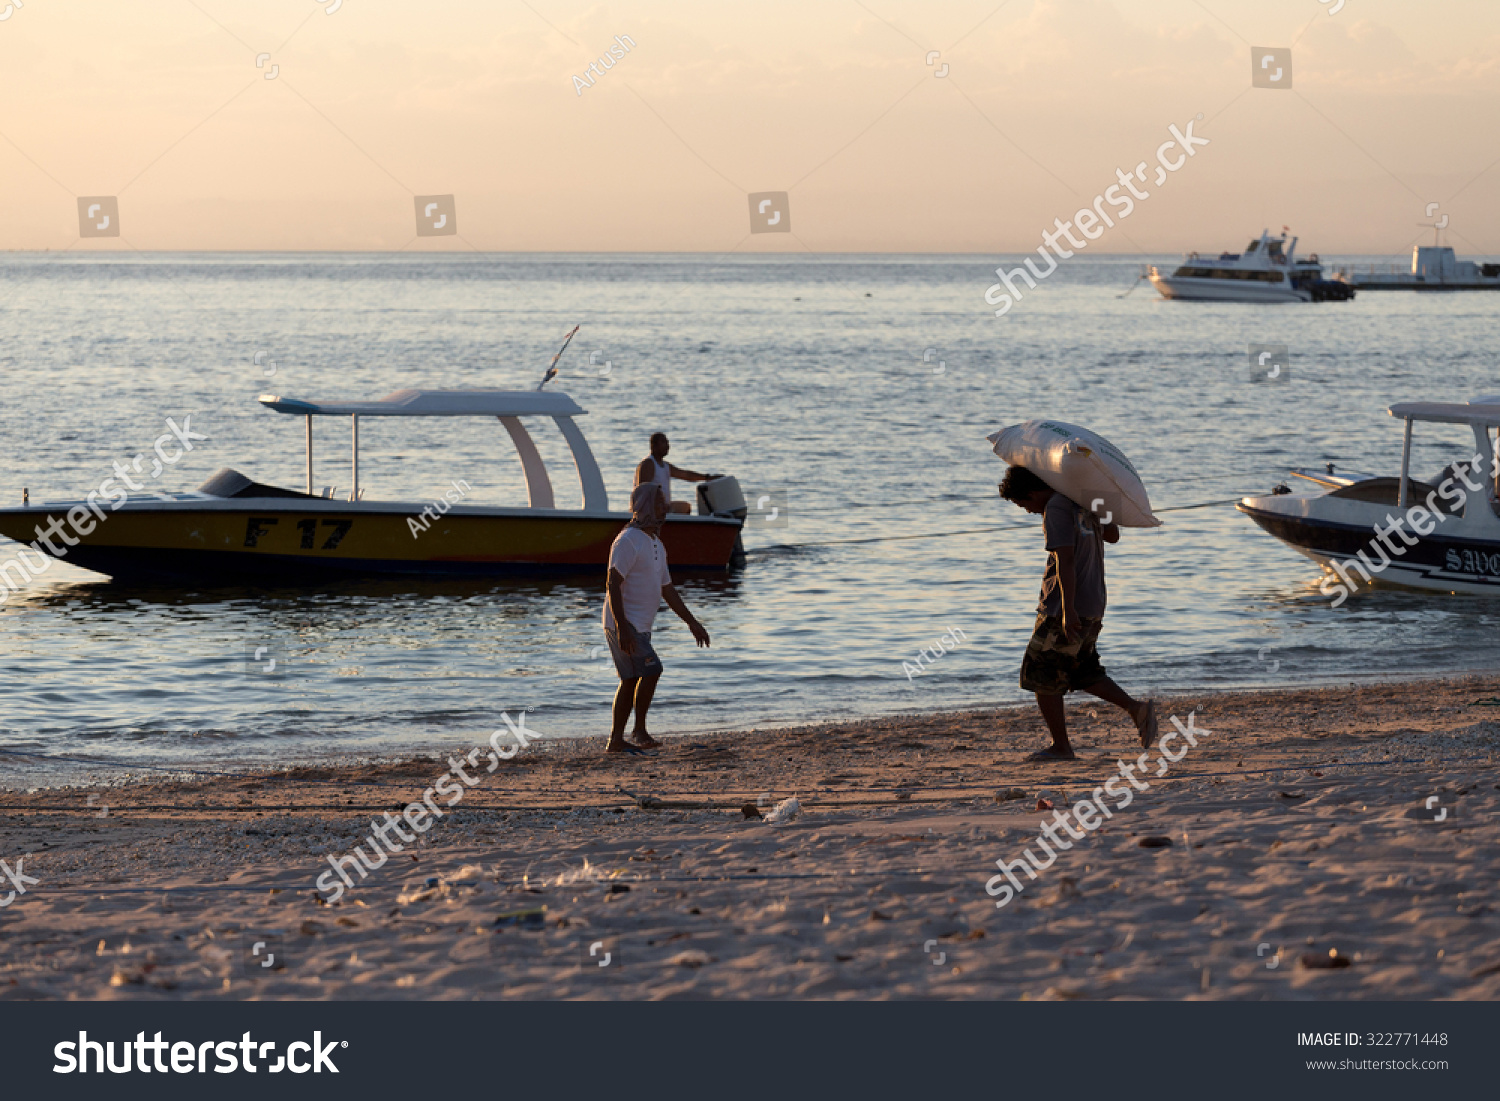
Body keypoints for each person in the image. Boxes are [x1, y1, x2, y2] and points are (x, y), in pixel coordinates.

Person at [997, 464, 1157, 761]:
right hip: (1094, 601)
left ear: (1033, 492)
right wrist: (1099, 502)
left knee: (1040, 671)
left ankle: (1061, 747)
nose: (1028, 511)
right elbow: (1112, 535)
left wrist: (1067, 611)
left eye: (1024, 504)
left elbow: (1065, 561)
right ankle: (1137, 709)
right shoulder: (1086, 497)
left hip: (1064, 606)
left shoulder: (1055, 507)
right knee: (1083, 670)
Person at [603, 483, 711, 754]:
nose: (666, 506)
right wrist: (622, 627)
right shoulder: (628, 540)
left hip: (640, 625)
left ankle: (616, 740)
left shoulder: (655, 543)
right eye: (661, 502)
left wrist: (692, 622)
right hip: (624, 624)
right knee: (652, 669)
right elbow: (612, 583)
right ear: (647, 505)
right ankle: (637, 732)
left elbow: (667, 589)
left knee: (630, 679)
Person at [635, 432, 714, 515]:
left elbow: (686, 475)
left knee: (685, 507)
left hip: (663, 507)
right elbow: (642, 491)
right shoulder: (648, 464)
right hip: (649, 509)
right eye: (663, 442)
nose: (668, 446)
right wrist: (657, 505)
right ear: (653, 446)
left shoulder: (665, 466)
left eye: (668, 442)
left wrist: (707, 478)